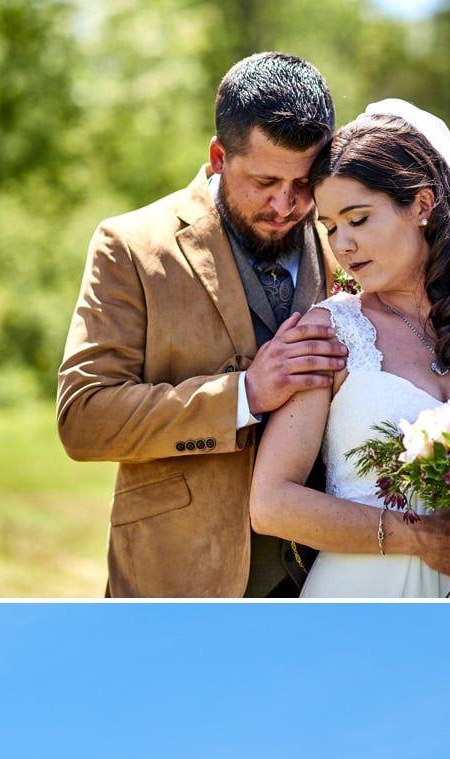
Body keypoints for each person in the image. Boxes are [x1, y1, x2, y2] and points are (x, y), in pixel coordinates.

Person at [57, 52, 346, 597]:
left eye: (304, 182)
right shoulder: (130, 247)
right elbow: (84, 417)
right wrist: (245, 394)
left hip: (332, 581)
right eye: (264, 180)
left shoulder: (349, 246)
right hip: (181, 578)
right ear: (218, 156)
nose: (285, 205)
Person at [249, 102, 450, 598]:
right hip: (357, 602)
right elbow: (271, 504)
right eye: (329, 227)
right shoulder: (330, 333)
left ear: (421, 205)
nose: (343, 245)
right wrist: (413, 537)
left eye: (358, 219)